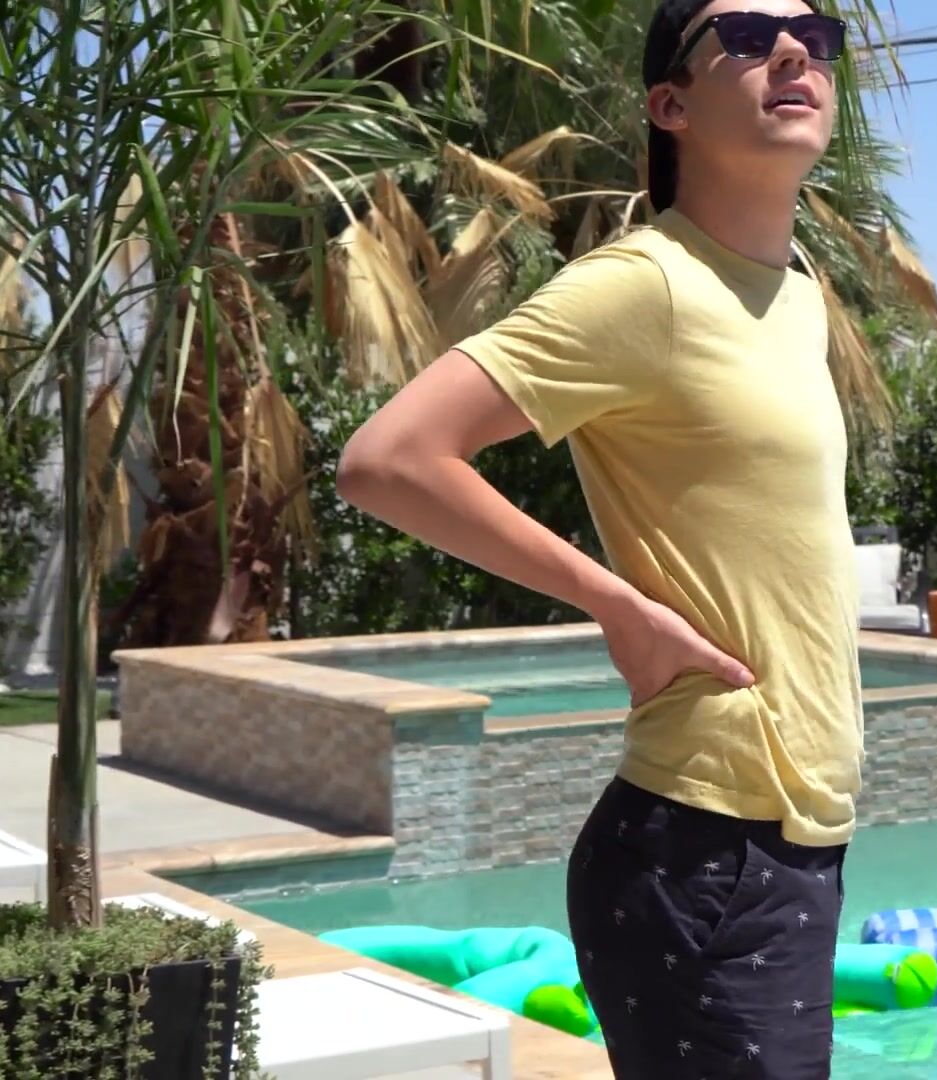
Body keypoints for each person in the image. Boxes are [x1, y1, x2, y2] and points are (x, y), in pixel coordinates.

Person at [336, 1, 865, 1074]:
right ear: (671, 105)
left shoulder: (799, 295)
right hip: (706, 849)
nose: (793, 50)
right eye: (747, 35)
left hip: (790, 840)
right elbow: (389, 459)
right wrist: (616, 605)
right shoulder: (646, 284)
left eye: (815, 33)